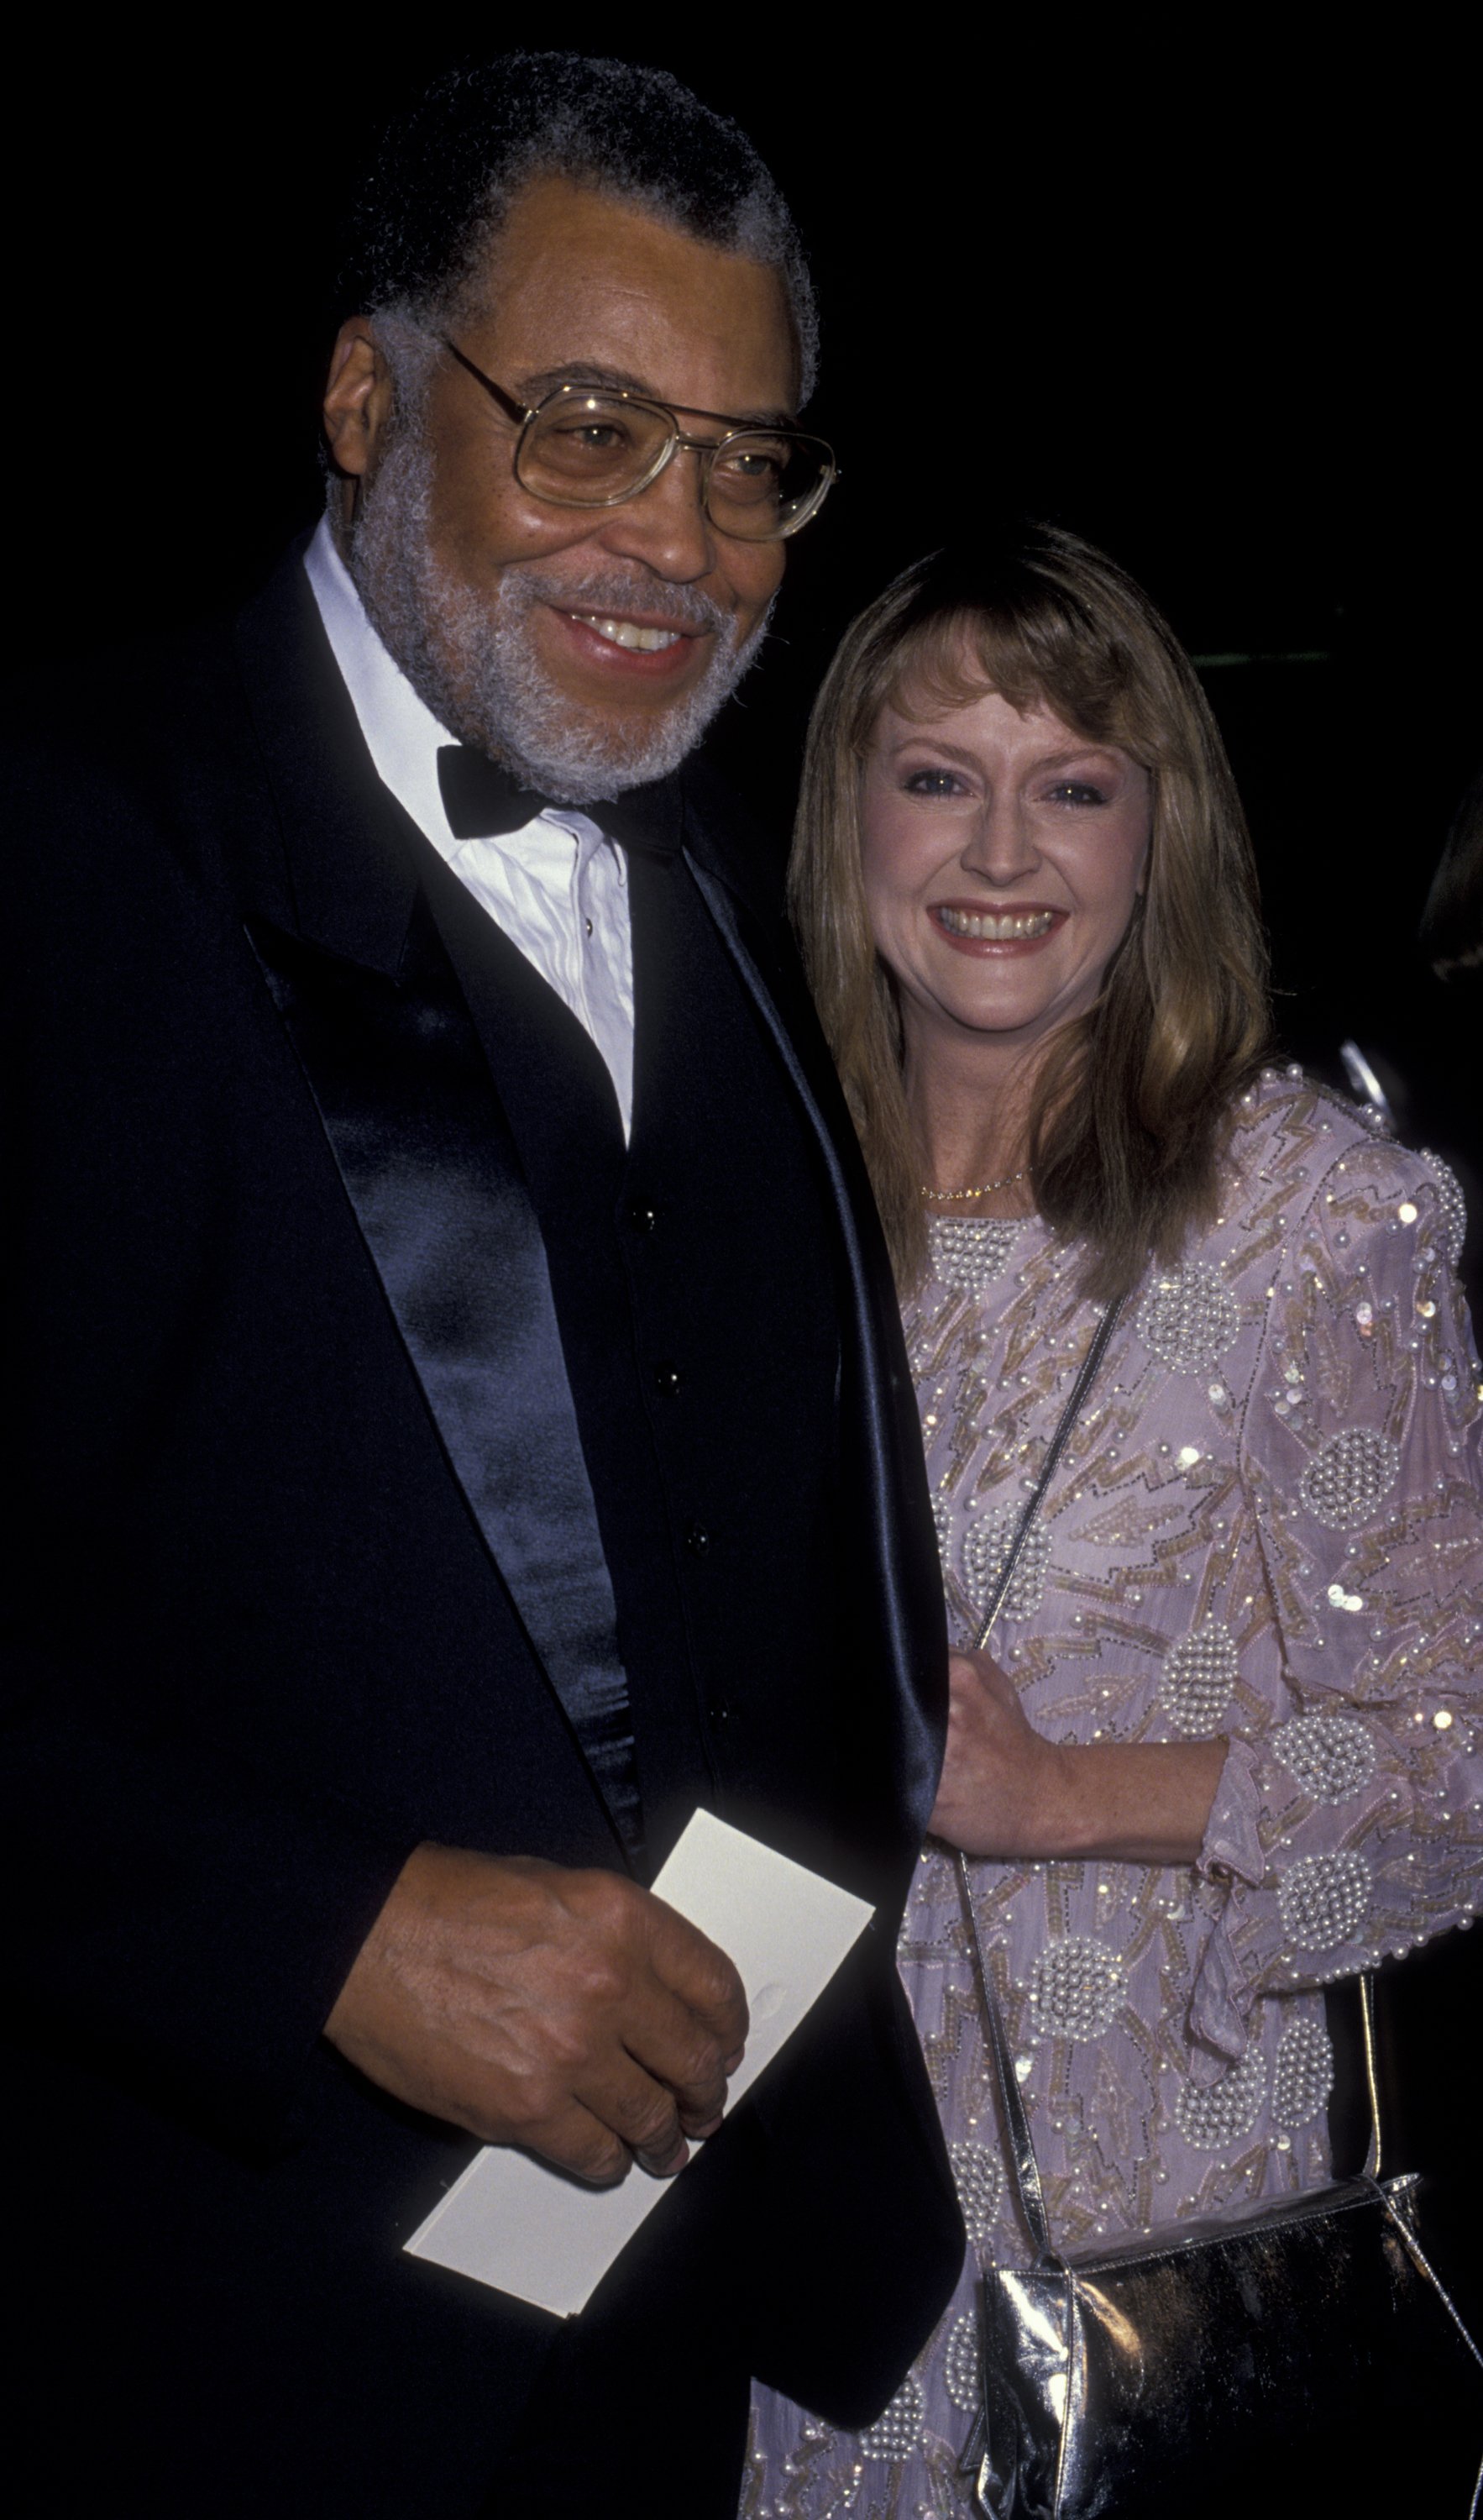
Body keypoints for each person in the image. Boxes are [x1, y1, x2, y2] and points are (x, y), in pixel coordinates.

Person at [3, 55, 962, 2520]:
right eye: (592, 425)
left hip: (680, 2320)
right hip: (204, 2342)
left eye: (746, 462)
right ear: (360, 393)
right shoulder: (61, 847)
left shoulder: (738, 887)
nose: (680, 537)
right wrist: (309, 1939)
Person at [745, 530, 1483, 2516]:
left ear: (1157, 842)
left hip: (1137, 2206)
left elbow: (1450, 1771)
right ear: (846, 820)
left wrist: (1058, 1791)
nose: (1000, 850)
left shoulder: (1315, 1220)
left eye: (1070, 785)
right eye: (936, 776)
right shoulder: (748, 1192)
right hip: (784, 2188)